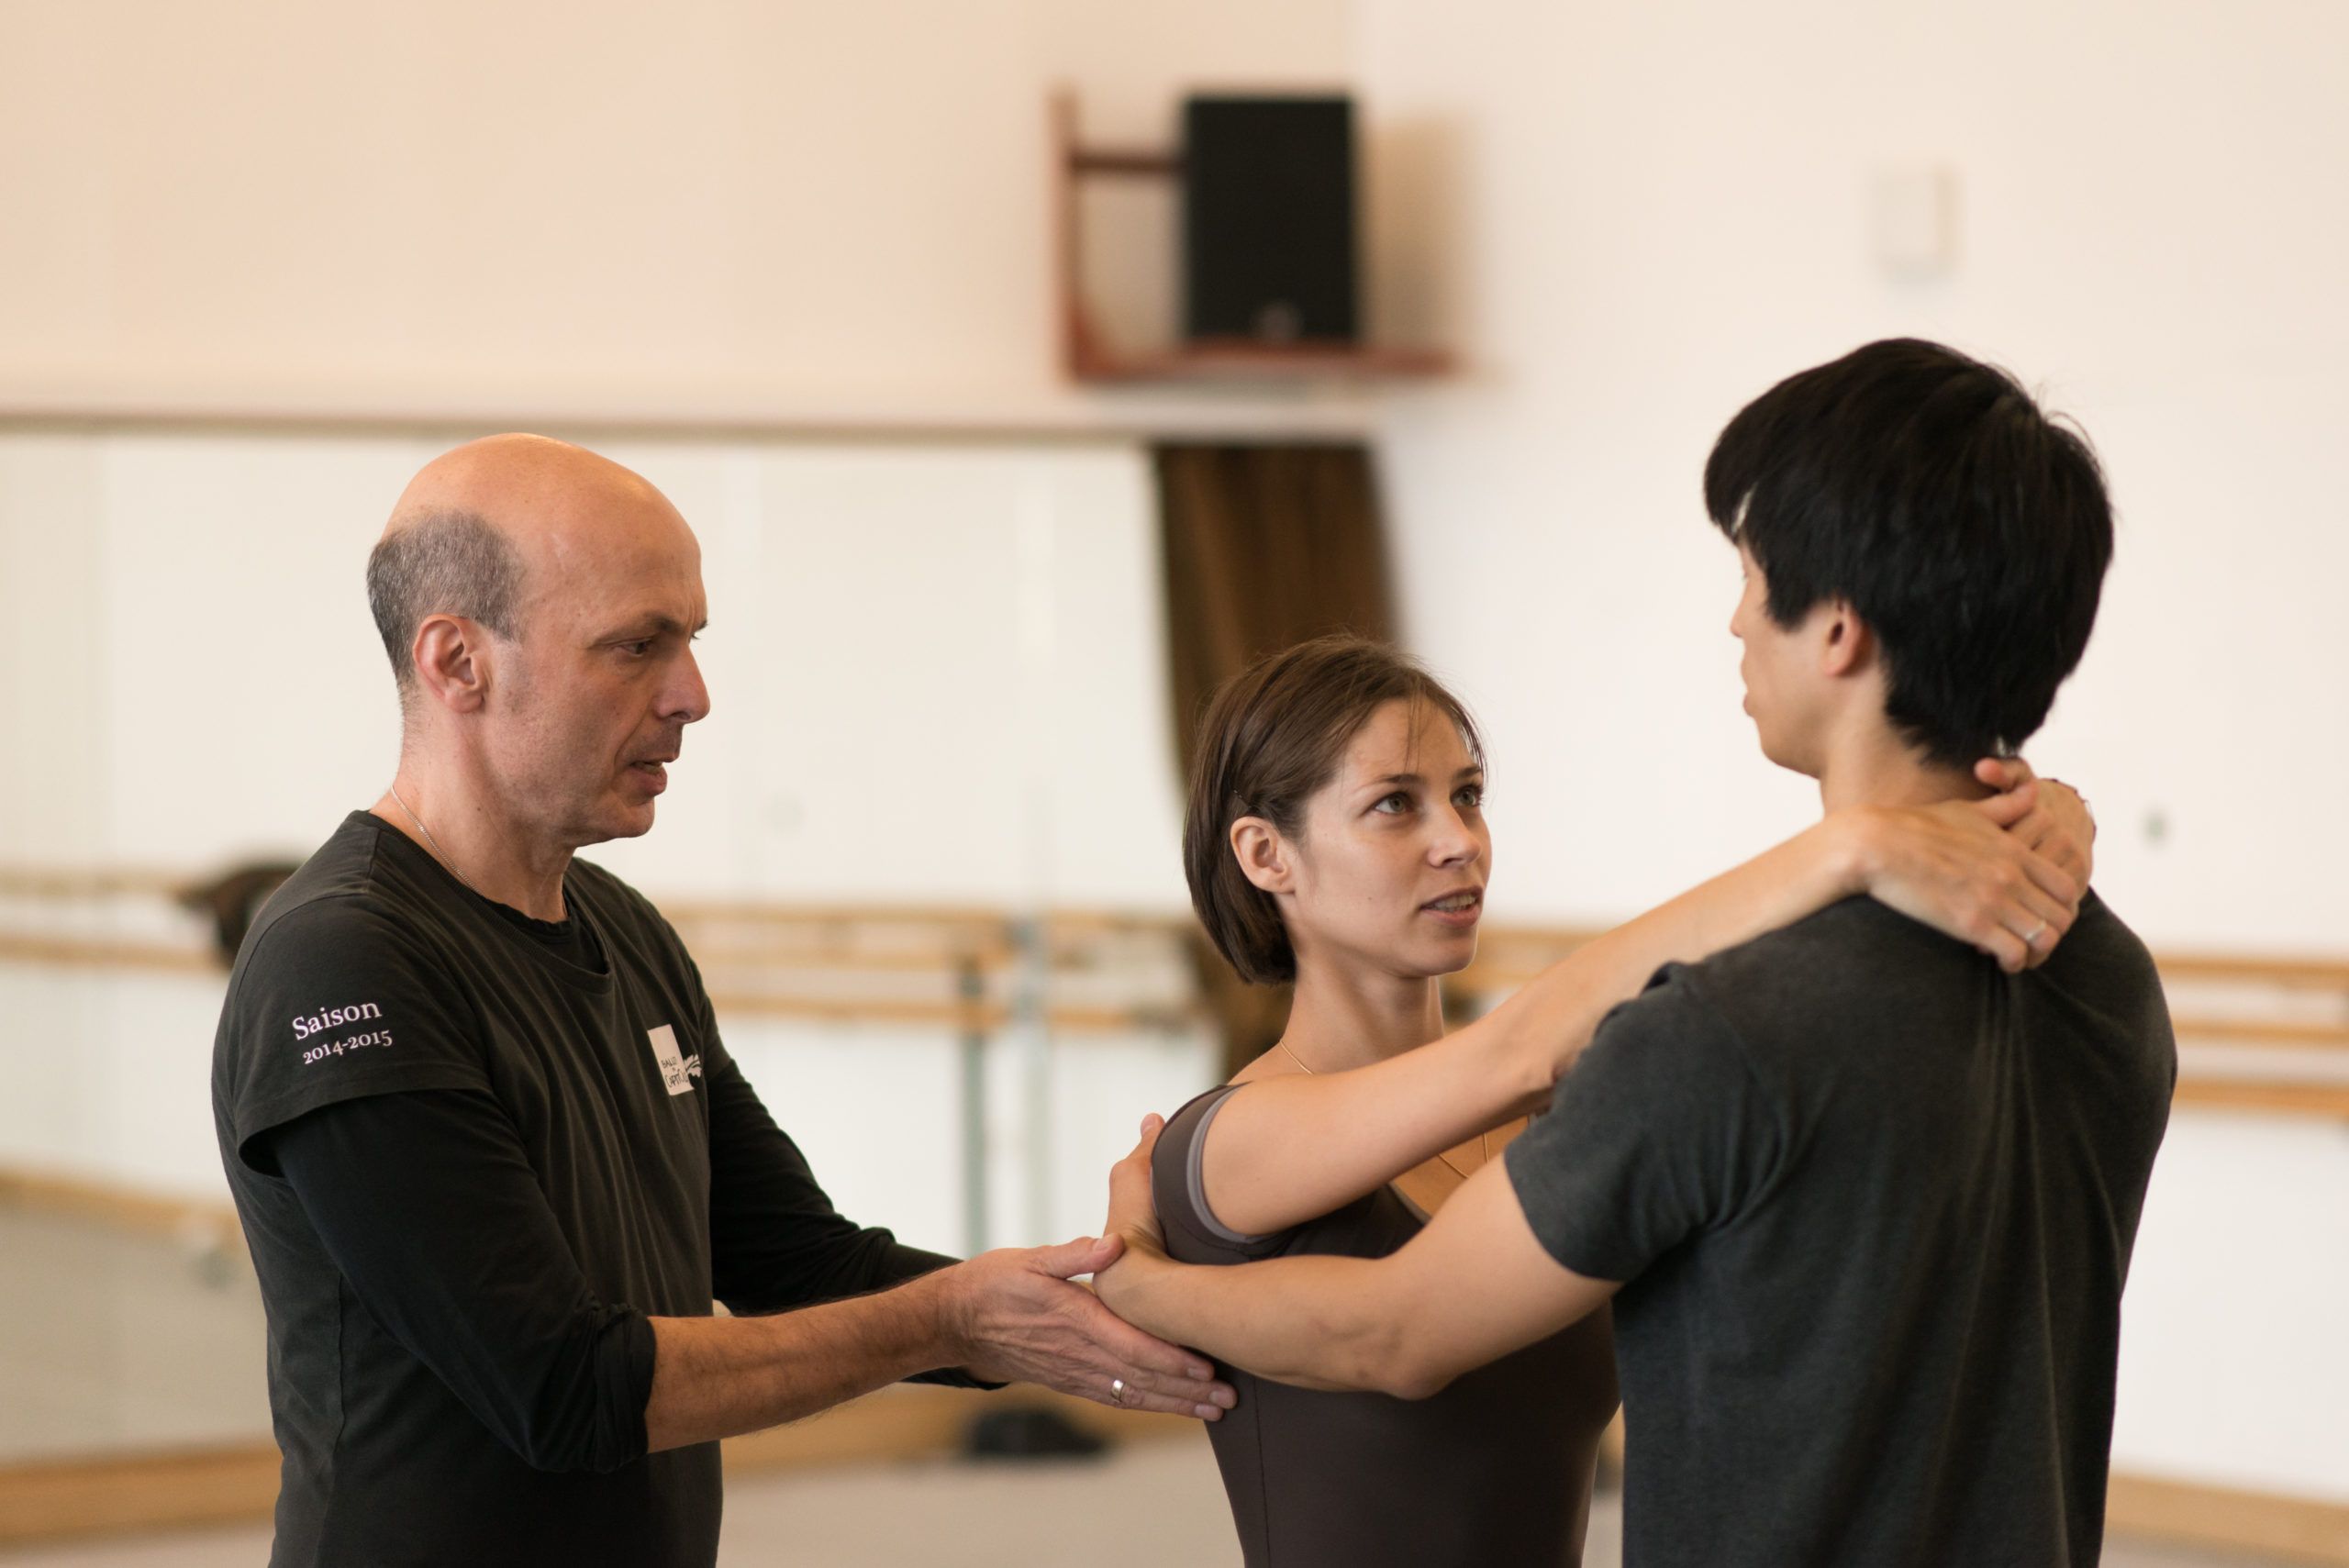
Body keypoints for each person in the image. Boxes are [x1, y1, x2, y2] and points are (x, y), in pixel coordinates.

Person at [1099, 339, 2176, 1567]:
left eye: (1753, 574)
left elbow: (1401, 1326)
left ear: (1835, 629)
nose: (1733, 616)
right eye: (1397, 803)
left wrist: (1141, 1288)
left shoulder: (1718, 1034)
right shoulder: (2112, 983)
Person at [210, 435, 1232, 1568]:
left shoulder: (625, 930)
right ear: (458, 662)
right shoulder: (344, 960)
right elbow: (562, 1385)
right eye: (636, 645)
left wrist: (1083, 1297)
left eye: (689, 640)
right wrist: (953, 1316)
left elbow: (803, 1262)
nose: (691, 695)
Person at [1155, 633, 2092, 1567]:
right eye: (1394, 804)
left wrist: (2047, 810)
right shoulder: (1237, 1135)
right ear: (1265, 853)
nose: (1458, 841)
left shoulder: (1549, 1121)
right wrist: (1847, 848)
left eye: (1468, 795)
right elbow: (1525, 1046)